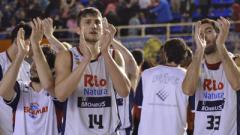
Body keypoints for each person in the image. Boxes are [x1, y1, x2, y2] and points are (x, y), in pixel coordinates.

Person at [54, 7, 131, 135]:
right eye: (88, 22)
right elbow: (61, 95)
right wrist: (85, 61)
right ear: (78, 30)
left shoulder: (114, 55)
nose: (94, 26)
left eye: (97, 22)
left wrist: (105, 52)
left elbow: (124, 91)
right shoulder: (66, 56)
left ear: (103, 28)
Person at [0, 18, 60, 135]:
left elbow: (47, 83)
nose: (35, 66)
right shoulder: (3, 63)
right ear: (21, 41)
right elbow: (3, 91)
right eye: (32, 42)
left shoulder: (55, 91)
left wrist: (49, 37)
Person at [182, 17, 240, 135]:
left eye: (208, 31)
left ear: (218, 34)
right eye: (200, 33)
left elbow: (237, 84)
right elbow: (188, 90)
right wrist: (199, 50)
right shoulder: (197, 65)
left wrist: (220, 45)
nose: (203, 36)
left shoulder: (236, 61)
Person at [135, 38, 189, 135]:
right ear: (184, 56)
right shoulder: (188, 76)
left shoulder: (146, 74)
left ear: (165, 53)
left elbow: (138, 105)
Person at [0, 22, 32, 135]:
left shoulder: (27, 67)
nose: (33, 48)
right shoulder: (0, 62)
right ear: (18, 40)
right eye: (31, 43)